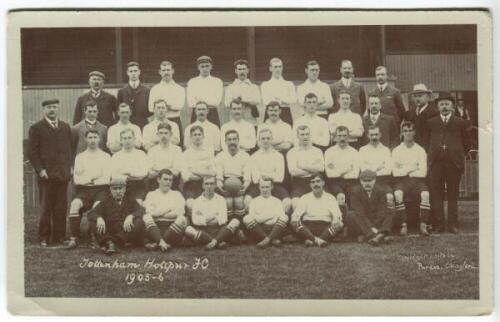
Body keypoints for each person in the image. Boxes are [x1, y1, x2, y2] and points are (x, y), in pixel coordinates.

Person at [423, 92, 471, 234]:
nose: (444, 107)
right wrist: (433, 154)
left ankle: (453, 224)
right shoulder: (431, 122)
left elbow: (467, 143)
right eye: (442, 104)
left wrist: (458, 153)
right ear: (438, 107)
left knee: (453, 194)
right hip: (436, 163)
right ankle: (439, 224)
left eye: (447, 104)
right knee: (436, 194)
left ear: (452, 106)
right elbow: (426, 142)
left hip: (453, 164)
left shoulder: (460, 122)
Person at [28, 99, 73, 246]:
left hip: (62, 174)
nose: (52, 110)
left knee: (61, 206)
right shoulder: (36, 128)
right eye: (49, 107)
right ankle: (44, 237)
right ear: (44, 110)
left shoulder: (65, 127)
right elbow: (32, 152)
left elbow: (69, 150)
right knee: (46, 207)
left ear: (58, 108)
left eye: (54, 107)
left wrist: (70, 167)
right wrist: (40, 170)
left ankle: (59, 237)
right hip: (46, 175)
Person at [66, 130, 111, 250]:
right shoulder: (80, 157)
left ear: (99, 139)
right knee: (75, 204)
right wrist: (94, 176)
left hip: (101, 190)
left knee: (97, 208)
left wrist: (89, 178)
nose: (92, 140)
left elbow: (106, 178)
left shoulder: (105, 156)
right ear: (86, 139)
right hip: (85, 191)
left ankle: (95, 237)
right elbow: (77, 179)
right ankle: (74, 238)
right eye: (90, 137)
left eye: (95, 137)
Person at [87, 176, 145, 255]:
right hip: (110, 231)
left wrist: (131, 216)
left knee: (139, 221)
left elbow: (141, 210)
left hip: (124, 232)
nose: (118, 191)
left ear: (124, 189)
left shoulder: (130, 199)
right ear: (110, 190)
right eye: (115, 189)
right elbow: (91, 213)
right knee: (93, 222)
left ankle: (113, 244)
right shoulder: (105, 201)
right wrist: (99, 218)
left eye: (120, 188)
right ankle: (110, 243)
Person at [392, 122, 431, 236]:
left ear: (414, 132)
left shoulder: (420, 150)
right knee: (398, 193)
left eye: (410, 131)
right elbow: (395, 172)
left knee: (425, 194)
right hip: (402, 181)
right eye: (405, 131)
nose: (408, 133)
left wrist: (404, 169)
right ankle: (403, 225)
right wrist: (413, 168)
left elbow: (423, 173)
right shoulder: (396, 150)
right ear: (401, 133)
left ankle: (423, 225)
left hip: (417, 182)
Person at [185, 176, 241, 250]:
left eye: (211, 184)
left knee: (235, 221)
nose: (209, 186)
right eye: (206, 184)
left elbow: (223, 219)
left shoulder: (221, 199)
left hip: (219, 229)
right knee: (188, 229)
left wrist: (204, 218)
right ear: (203, 186)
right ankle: (217, 242)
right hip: (204, 230)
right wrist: (214, 216)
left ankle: (212, 242)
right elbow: (195, 221)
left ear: (215, 185)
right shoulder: (197, 201)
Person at [344, 170, 396, 246]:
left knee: (391, 210)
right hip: (362, 222)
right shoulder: (355, 192)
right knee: (350, 214)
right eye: (364, 181)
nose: (367, 183)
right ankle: (379, 235)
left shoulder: (381, 191)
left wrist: (375, 226)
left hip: (376, 220)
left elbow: (381, 212)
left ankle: (372, 236)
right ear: (360, 181)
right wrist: (371, 227)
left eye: (370, 181)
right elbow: (360, 213)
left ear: (374, 180)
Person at [290, 174, 344, 247]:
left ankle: (311, 241)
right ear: (310, 185)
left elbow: (337, 214)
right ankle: (319, 241)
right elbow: (296, 213)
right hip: (308, 227)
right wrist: (295, 218)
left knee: (339, 224)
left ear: (323, 183)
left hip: (325, 227)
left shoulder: (330, 198)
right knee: (294, 223)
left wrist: (336, 219)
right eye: (313, 182)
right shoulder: (305, 197)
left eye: (318, 181)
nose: (316, 184)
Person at [248, 128, 292, 215]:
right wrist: (271, 176)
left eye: (268, 138)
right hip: (259, 186)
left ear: (272, 140)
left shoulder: (279, 156)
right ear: (259, 141)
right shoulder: (254, 156)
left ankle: (281, 224)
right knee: (247, 201)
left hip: (275, 186)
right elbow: (256, 178)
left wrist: (266, 176)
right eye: (263, 139)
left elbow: (280, 177)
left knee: (287, 203)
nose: (265, 141)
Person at [143, 169, 187, 252]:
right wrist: (168, 209)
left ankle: (158, 243)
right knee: (146, 217)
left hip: (173, 228)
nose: (168, 182)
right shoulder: (151, 194)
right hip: (156, 228)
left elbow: (180, 212)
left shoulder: (177, 194)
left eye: (170, 180)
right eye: (165, 179)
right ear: (158, 180)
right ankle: (162, 242)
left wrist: (159, 213)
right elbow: (149, 212)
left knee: (182, 219)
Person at [215, 130, 252, 222]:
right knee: (228, 202)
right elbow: (219, 177)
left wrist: (244, 188)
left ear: (238, 140)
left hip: (240, 183)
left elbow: (247, 178)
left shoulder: (245, 156)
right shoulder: (220, 156)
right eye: (229, 139)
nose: (232, 142)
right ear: (225, 141)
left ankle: (240, 227)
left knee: (239, 202)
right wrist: (221, 188)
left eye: (234, 139)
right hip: (225, 183)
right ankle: (229, 227)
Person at [243, 177, 289, 248]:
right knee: (246, 218)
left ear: (272, 187)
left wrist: (262, 218)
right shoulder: (254, 201)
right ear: (259, 187)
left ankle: (266, 240)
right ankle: (270, 240)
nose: (265, 190)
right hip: (259, 229)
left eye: (267, 187)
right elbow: (253, 217)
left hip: (274, 229)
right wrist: (270, 216)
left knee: (285, 217)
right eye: (262, 187)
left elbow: (278, 217)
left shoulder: (277, 201)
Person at [181, 126, 217, 217]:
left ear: (203, 136)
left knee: (209, 207)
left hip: (207, 185)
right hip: (191, 186)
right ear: (191, 137)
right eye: (195, 135)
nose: (197, 137)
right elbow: (186, 176)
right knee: (191, 205)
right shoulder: (185, 154)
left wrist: (194, 170)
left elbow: (213, 172)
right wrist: (205, 172)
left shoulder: (209, 152)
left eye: (199, 134)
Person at [287, 125, 325, 210]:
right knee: (295, 203)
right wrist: (313, 169)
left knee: (324, 202)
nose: (305, 137)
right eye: (302, 134)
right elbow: (293, 172)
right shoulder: (292, 152)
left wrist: (303, 167)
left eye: (307, 134)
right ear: (297, 136)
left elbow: (321, 169)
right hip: (299, 183)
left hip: (316, 181)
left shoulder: (317, 151)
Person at [148, 60, 186, 141]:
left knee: (176, 144)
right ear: (160, 72)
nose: (166, 72)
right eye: (164, 70)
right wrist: (170, 106)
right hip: (158, 122)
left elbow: (179, 106)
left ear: (172, 71)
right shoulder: (154, 89)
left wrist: (160, 106)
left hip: (174, 120)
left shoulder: (179, 89)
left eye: (168, 70)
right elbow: (151, 108)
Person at [324, 126, 359, 213]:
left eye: (344, 136)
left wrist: (337, 170)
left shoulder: (354, 152)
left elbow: (355, 174)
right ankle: (341, 221)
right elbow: (330, 174)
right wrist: (347, 169)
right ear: (335, 137)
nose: (342, 138)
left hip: (351, 182)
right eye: (339, 136)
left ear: (348, 137)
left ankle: (352, 221)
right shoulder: (329, 152)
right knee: (340, 197)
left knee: (354, 196)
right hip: (335, 182)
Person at [109, 128, 149, 205]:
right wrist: (132, 174)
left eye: (129, 138)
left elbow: (143, 172)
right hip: (120, 186)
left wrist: (128, 172)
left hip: (137, 186)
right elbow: (114, 175)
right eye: (125, 138)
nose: (127, 140)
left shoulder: (141, 154)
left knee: (137, 205)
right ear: (121, 140)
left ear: (134, 139)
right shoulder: (116, 156)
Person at [358, 125, 394, 207]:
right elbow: (363, 169)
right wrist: (378, 167)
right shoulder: (362, 150)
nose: (374, 137)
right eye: (372, 135)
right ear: (368, 136)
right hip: (368, 182)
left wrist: (371, 168)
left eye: (376, 134)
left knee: (390, 197)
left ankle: (389, 219)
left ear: (380, 135)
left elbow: (388, 170)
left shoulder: (386, 150)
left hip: (383, 182)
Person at [187, 56, 224, 126]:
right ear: (198, 67)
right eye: (202, 66)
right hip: (197, 113)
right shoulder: (192, 82)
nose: (205, 68)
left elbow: (216, 101)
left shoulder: (217, 81)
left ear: (211, 67)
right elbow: (191, 102)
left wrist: (199, 99)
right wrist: (208, 99)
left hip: (212, 113)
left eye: (207, 66)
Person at [260, 57, 297, 126]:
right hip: (271, 112)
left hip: (285, 113)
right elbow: (266, 101)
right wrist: (283, 100)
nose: (278, 69)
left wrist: (279, 99)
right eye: (275, 67)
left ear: (282, 68)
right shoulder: (265, 85)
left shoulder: (289, 84)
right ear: (270, 68)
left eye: (280, 67)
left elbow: (293, 100)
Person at [146, 122, 183, 191]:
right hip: (155, 185)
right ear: (157, 134)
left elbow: (176, 173)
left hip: (172, 185)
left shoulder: (177, 150)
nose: (163, 136)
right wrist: (168, 169)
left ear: (171, 134)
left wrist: (157, 170)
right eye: (161, 133)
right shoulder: (151, 151)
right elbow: (150, 174)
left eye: (166, 133)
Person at [224, 59, 261, 126]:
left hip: (250, 119)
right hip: (235, 119)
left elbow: (257, 100)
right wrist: (247, 100)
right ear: (236, 71)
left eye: (244, 69)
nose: (242, 71)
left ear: (248, 70)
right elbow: (227, 103)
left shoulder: (254, 87)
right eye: (239, 69)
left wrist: (241, 99)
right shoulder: (230, 87)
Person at [117, 61, 152, 129]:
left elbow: (150, 111)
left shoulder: (147, 90)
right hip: (126, 125)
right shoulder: (122, 91)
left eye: (135, 71)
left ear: (139, 72)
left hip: (142, 125)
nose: (133, 73)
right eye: (131, 71)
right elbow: (118, 110)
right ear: (127, 73)